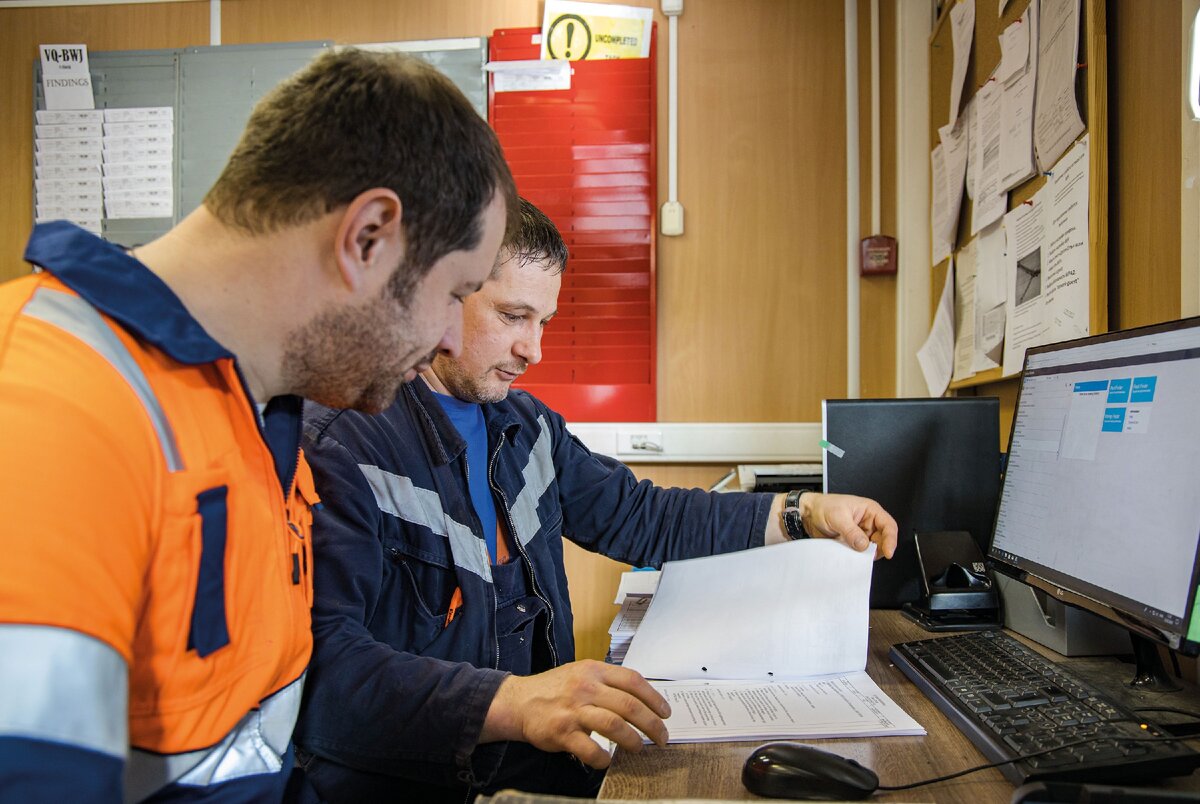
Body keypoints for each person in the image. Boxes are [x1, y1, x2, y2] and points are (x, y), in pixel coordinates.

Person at [0, 48, 516, 802]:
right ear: (368, 236)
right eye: (455, 292)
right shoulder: (53, 403)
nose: (448, 338)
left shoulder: (266, 420)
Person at [294, 199, 899, 802]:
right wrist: (513, 702)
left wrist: (803, 512)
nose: (534, 350)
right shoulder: (338, 443)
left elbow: (645, 518)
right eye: (513, 316)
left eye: (545, 323)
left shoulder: (525, 427)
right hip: (417, 785)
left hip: (531, 772)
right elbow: (323, 677)